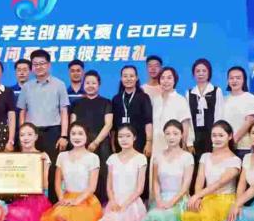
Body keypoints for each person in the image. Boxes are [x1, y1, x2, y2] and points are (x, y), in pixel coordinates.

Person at [17, 50, 70, 196]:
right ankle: (29, 200)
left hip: (53, 132)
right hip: (31, 134)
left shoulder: (59, 84)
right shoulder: (27, 87)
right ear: (32, 67)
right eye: (35, 64)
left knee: (52, 168)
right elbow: (22, 111)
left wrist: (64, 135)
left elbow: (64, 111)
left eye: (42, 63)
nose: (39, 67)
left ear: (49, 65)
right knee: (30, 167)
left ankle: (52, 201)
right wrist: (22, 133)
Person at [41, 123, 103, 221]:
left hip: (85, 199)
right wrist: (61, 199)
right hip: (67, 198)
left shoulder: (93, 157)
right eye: (73, 134)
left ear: (86, 136)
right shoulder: (62, 156)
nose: (76, 137)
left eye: (80, 134)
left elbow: (92, 187)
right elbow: (58, 181)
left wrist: (77, 201)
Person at [180, 122, 242, 221]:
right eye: (214, 135)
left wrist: (197, 196)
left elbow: (219, 183)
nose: (217, 139)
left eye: (221, 135)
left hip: (225, 200)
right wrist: (198, 198)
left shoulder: (235, 160)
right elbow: (199, 180)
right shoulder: (206, 156)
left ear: (230, 136)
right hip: (207, 198)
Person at [97, 125, 149, 221]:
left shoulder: (140, 158)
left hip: (131, 202)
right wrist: (112, 201)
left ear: (134, 138)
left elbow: (139, 189)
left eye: (127, 136)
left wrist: (125, 205)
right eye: (120, 136)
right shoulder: (112, 158)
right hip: (115, 201)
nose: (124, 139)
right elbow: (109, 186)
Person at [144, 120, 194, 221]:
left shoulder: (187, 157)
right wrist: (159, 200)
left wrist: (171, 202)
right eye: (168, 133)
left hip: (179, 200)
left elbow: (185, 186)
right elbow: (155, 181)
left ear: (181, 135)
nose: (171, 137)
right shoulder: (158, 156)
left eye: (175, 133)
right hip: (162, 199)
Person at [5, 123, 54, 221]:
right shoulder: (15, 157)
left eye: (29, 134)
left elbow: (45, 183)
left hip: (38, 200)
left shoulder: (42, 156)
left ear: (36, 137)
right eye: (22, 135)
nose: (25, 138)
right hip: (19, 199)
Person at [71, 70, 113, 202]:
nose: (90, 86)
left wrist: (96, 142)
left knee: (102, 174)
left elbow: (108, 124)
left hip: (101, 144)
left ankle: (101, 204)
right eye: (87, 83)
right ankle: (81, 201)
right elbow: (73, 125)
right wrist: (80, 143)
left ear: (99, 85)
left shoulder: (106, 102)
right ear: (83, 85)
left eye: (93, 83)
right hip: (81, 144)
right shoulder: (77, 103)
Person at [217, 66, 254, 158]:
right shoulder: (223, 99)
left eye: (238, 78)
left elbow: (249, 121)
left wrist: (234, 140)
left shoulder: (249, 98)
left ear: (244, 80)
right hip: (225, 146)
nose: (234, 81)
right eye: (231, 78)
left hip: (244, 147)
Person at [151, 67, 193, 159]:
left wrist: (184, 144)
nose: (166, 81)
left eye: (169, 78)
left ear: (175, 80)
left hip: (174, 145)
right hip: (157, 145)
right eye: (162, 78)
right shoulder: (156, 100)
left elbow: (185, 125)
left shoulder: (180, 100)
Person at [111, 65, 154, 157]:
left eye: (131, 76)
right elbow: (113, 126)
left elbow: (148, 122)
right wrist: (112, 143)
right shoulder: (116, 99)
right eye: (125, 76)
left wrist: (149, 142)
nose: (128, 79)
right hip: (120, 142)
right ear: (121, 78)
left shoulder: (144, 97)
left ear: (136, 78)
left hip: (139, 142)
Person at [187, 59, 223, 156]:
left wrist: (217, 139)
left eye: (204, 71)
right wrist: (189, 141)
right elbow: (188, 120)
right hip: (195, 137)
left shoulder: (216, 91)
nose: (201, 73)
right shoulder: (189, 93)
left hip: (211, 136)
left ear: (209, 73)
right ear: (193, 74)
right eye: (198, 71)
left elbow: (219, 116)